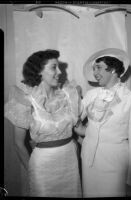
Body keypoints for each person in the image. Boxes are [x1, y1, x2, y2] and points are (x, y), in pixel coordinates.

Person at [5, 49, 82, 197]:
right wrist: (32, 171)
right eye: (54, 67)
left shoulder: (68, 95)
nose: (59, 72)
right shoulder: (25, 100)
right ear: (39, 71)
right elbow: (18, 144)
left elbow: (79, 129)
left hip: (70, 160)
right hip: (43, 166)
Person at [74, 48, 131, 197]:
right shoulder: (91, 95)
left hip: (116, 164)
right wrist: (72, 97)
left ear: (112, 69)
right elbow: (75, 119)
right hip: (89, 161)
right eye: (94, 69)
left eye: (98, 67)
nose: (94, 72)